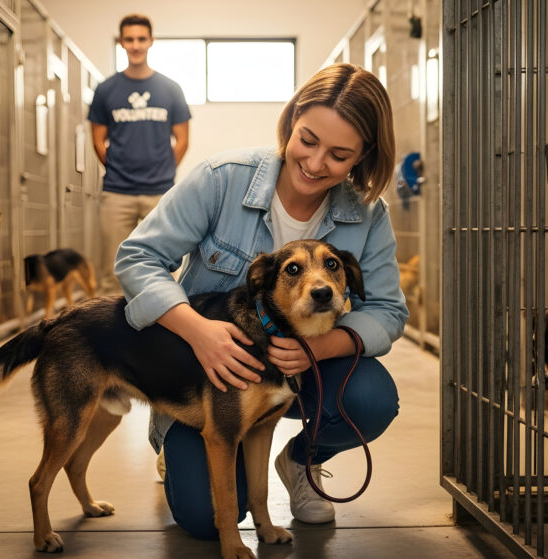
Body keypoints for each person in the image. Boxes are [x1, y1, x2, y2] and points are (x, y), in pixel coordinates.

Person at [115, 63, 407, 538]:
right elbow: (137, 256)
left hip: (306, 371)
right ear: (291, 120)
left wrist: (318, 348)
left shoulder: (369, 215)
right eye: (308, 140)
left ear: (363, 156)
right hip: (211, 376)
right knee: (206, 519)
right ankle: (179, 446)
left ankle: (302, 461)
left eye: (339, 155)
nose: (315, 163)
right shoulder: (222, 179)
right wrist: (198, 331)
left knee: (370, 399)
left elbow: (388, 311)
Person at [88, 13, 191, 293]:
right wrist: (118, 168)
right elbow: (97, 141)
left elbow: (182, 140)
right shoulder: (106, 90)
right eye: (130, 39)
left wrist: (163, 169)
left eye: (141, 39)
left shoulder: (170, 89)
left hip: (160, 192)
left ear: (151, 41)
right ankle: (111, 322)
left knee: (165, 266)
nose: (135, 45)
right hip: (116, 192)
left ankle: (165, 320)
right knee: (113, 272)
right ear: (121, 42)